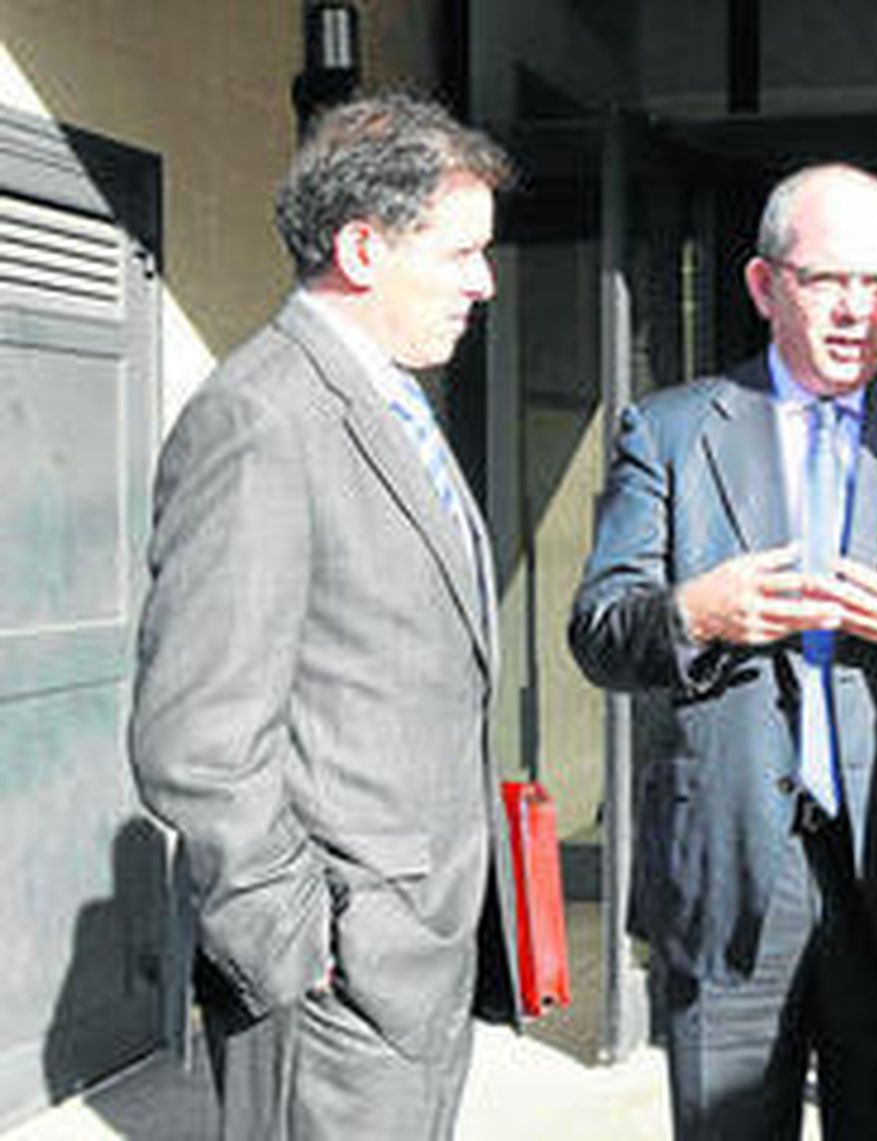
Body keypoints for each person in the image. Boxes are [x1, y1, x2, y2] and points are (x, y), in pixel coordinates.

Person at [568, 163, 877, 1138]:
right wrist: (694, 613)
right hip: (731, 874)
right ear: (761, 284)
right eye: (826, 280)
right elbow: (600, 631)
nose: (854, 309)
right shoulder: (670, 431)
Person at [129, 94, 522, 1140]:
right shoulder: (261, 418)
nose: (483, 280)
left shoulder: (387, 398)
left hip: (412, 953)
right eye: (458, 253)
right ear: (361, 247)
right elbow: (197, 737)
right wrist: (299, 943)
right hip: (335, 980)